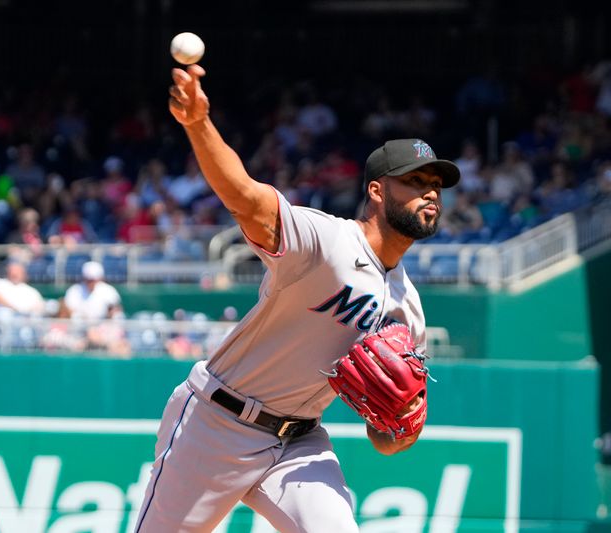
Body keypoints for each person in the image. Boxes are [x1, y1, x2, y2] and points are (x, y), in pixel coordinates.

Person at [134, 64, 460, 532]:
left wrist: (402, 427)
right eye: (415, 181)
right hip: (216, 422)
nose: (430, 191)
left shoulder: (407, 307)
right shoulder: (326, 242)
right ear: (376, 190)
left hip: (299, 443)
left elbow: (385, 438)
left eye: (436, 184)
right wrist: (198, 124)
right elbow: (245, 198)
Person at [63, 261, 130, 356]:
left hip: (104, 331)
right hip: (79, 332)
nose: (91, 282)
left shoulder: (108, 291)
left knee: (122, 346)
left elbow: (116, 313)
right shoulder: (74, 291)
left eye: (94, 279)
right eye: (89, 279)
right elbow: (68, 314)